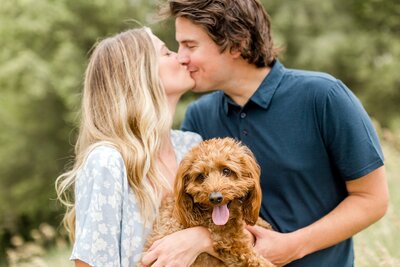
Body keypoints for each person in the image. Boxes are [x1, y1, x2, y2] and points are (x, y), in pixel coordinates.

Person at [151, 0, 389, 266]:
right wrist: (201, 237)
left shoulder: (324, 97)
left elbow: (372, 199)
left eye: (190, 45)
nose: (181, 57)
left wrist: (294, 246)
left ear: (236, 43)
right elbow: (194, 205)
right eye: (179, 45)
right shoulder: (199, 116)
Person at [55, 27, 207, 267]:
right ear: (139, 75)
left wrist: (202, 238)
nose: (181, 57)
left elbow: (227, 228)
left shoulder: (192, 146)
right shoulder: (108, 161)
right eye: (166, 53)